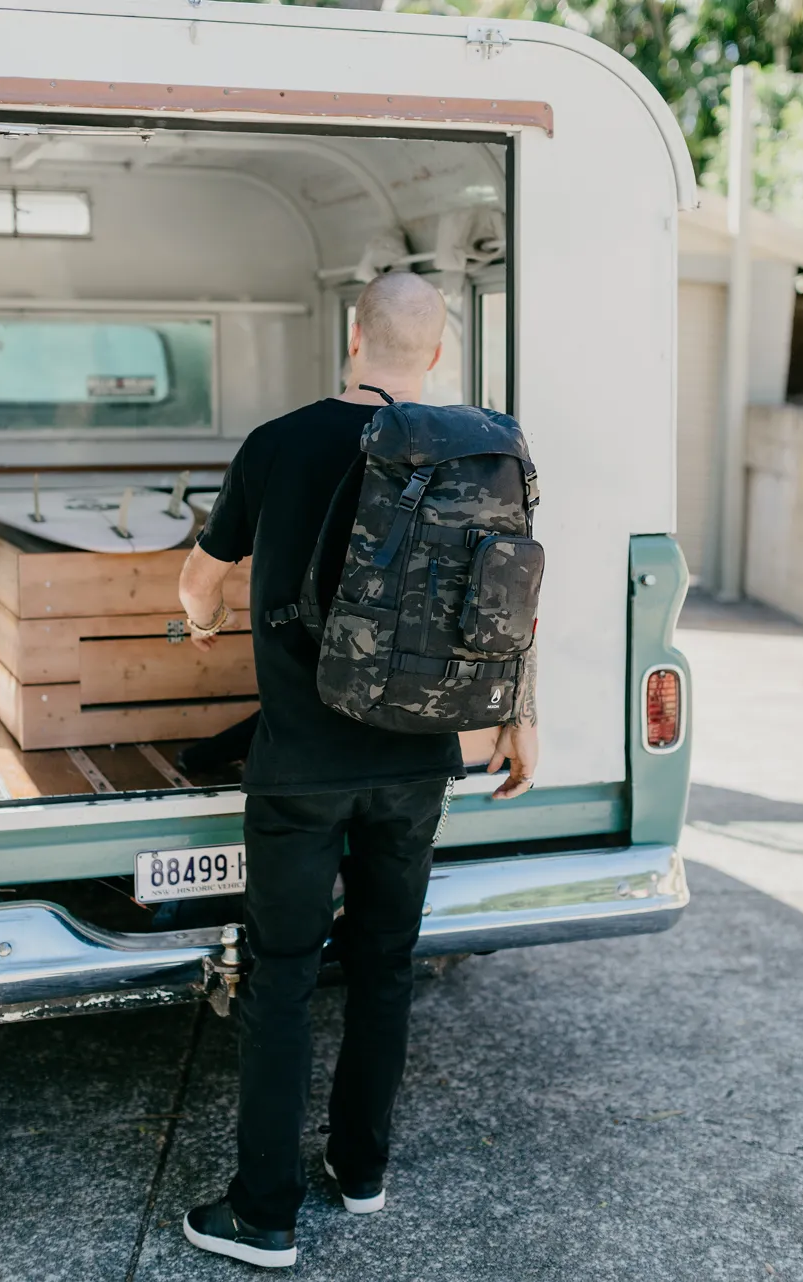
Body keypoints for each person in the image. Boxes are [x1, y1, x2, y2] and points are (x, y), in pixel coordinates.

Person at [178, 272, 538, 1270]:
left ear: (351, 337)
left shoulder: (276, 444)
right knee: (383, 965)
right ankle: (363, 1168)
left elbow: (202, 579)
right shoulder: (472, 452)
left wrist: (203, 612)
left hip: (301, 765)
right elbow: (505, 602)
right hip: (421, 758)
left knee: (283, 977)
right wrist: (521, 716)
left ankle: (263, 1214)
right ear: (433, 357)